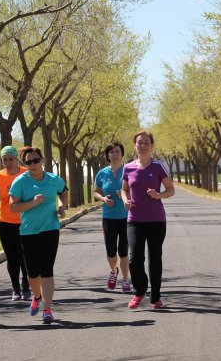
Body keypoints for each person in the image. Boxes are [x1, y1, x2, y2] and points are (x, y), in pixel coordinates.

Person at [9, 146, 68, 324]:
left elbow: (64, 192)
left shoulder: (53, 179)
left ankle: (48, 309)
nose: (32, 164)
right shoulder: (20, 182)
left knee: (47, 270)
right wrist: (32, 203)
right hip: (28, 231)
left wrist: (61, 206)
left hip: (50, 229)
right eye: (28, 162)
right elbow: (13, 207)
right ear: (24, 164)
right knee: (33, 273)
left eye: (36, 160)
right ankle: (36, 297)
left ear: (42, 161)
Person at [121, 130, 175, 310]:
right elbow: (124, 189)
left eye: (146, 142)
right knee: (134, 258)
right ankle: (140, 291)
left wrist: (159, 194)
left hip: (156, 220)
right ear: (134, 146)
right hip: (135, 219)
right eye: (139, 142)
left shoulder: (158, 166)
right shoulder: (128, 167)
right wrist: (125, 200)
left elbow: (171, 190)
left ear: (151, 146)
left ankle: (156, 298)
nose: (142, 145)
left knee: (155, 258)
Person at [0, 146, 31, 301]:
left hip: (25, 221)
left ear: (17, 159)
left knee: (25, 256)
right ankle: (15, 288)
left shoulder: (26, 174)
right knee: (12, 257)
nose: (8, 162)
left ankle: (26, 286)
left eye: (11, 159)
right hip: (4, 222)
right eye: (5, 159)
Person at [94, 142, 132, 293]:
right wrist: (103, 199)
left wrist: (126, 195)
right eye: (111, 152)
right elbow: (95, 191)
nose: (114, 154)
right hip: (108, 217)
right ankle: (113, 271)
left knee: (123, 251)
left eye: (117, 151)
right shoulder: (102, 173)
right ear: (107, 156)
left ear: (122, 154)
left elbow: (135, 190)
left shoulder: (129, 170)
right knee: (110, 251)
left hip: (126, 217)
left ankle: (125, 279)